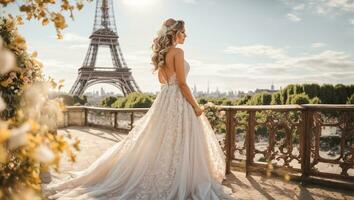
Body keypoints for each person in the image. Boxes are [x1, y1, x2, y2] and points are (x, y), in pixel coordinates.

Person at [43, 18, 236, 200]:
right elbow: (183, 85)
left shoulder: (161, 54)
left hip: (165, 100)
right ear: (176, 33)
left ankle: (169, 174)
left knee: (160, 141)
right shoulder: (177, 53)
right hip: (178, 100)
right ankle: (178, 176)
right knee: (180, 141)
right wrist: (197, 107)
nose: (186, 36)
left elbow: (164, 82)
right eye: (184, 33)